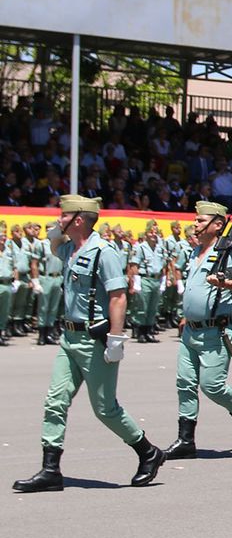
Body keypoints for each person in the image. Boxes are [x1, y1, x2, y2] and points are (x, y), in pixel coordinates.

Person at [14, 195, 165, 492]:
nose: (58, 220)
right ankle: (50, 469)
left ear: (78, 220)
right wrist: (59, 229)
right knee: (55, 401)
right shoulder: (70, 247)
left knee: (105, 409)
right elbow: (52, 241)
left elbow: (118, 296)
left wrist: (117, 339)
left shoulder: (103, 252)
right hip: (69, 338)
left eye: (64, 216)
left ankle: (147, 451)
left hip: (94, 340)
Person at [163, 201, 232, 459]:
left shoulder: (229, 253)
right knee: (185, 383)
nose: (195, 224)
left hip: (215, 331)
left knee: (213, 386)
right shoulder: (196, 251)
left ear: (217, 224)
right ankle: (186, 440)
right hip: (191, 331)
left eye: (200, 220)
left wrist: (226, 283)